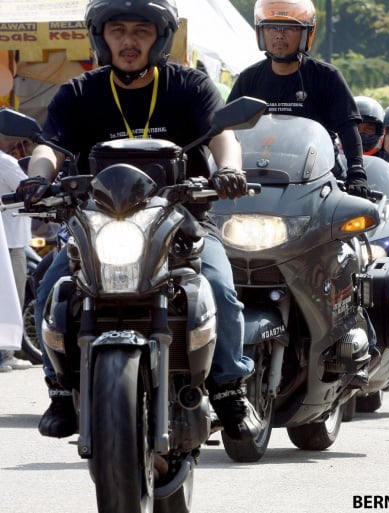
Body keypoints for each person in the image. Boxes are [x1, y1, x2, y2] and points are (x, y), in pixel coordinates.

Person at [15, 0, 261, 441]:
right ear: (102, 38)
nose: (129, 41)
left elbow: (223, 135)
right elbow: (49, 146)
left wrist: (228, 170)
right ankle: (59, 386)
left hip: (181, 219)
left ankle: (228, 388)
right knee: (52, 285)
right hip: (96, 224)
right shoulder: (78, 93)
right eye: (118, 31)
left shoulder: (189, 85)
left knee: (220, 288)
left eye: (141, 31)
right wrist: (37, 179)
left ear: (160, 38)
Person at [226, 0, 370, 198]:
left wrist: (356, 172)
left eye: (289, 28)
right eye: (271, 28)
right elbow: (227, 130)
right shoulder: (249, 79)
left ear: (306, 33)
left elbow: (347, 128)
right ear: (260, 32)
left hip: (317, 180)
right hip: (253, 178)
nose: (279, 35)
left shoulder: (327, 76)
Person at [0, 137, 33, 372]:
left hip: (9, 240)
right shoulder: (6, 163)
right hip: (11, 242)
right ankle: (5, 354)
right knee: (10, 299)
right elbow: (31, 191)